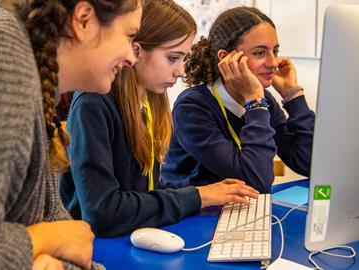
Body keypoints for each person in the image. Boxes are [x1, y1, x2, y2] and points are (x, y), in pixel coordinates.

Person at [0, 0, 142, 269]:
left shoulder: (32, 75)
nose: (131, 58)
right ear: (83, 20)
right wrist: (48, 238)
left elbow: (71, 243)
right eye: (129, 36)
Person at [59, 0, 259, 238]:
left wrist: (203, 193)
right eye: (173, 58)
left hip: (131, 237)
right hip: (96, 247)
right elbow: (103, 213)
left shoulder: (149, 103)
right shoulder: (93, 104)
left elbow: (146, 190)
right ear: (137, 51)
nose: (181, 71)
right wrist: (197, 196)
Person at [161, 7, 315, 193]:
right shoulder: (192, 107)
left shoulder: (264, 100)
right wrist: (255, 103)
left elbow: (309, 163)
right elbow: (256, 181)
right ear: (227, 59)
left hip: (238, 209)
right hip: (193, 216)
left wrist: (293, 96)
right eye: (260, 53)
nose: (273, 62)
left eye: (275, 51)